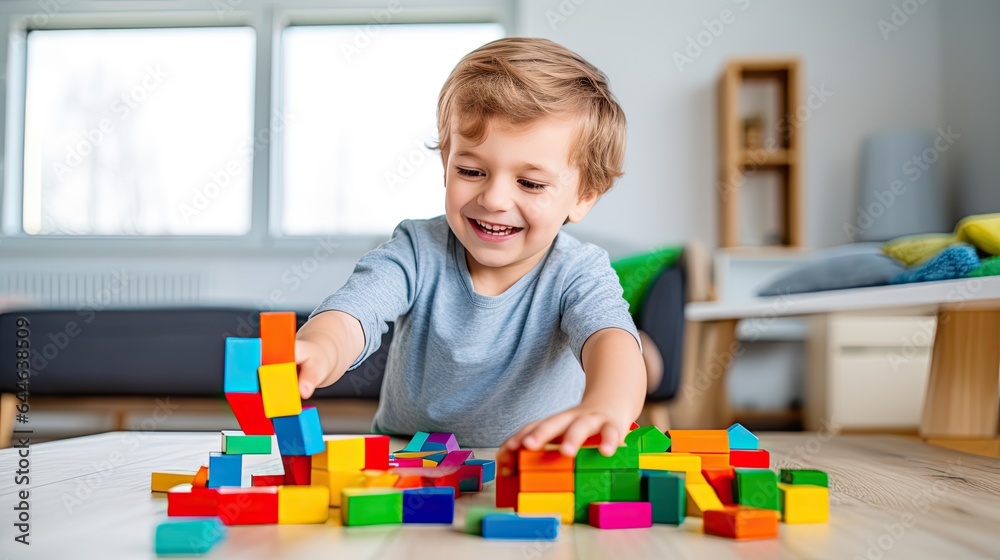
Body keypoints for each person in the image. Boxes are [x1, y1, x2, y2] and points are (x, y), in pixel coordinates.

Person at [294, 37, 646, 458]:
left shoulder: (578, 272)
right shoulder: (415, 250)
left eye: (530, 183)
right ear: (446, 163)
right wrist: (320, 347)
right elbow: (355, 311)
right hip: (408, 463)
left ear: (585, 195)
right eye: (471, 170)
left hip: (531, 466)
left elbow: (611, 339)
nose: (494, 199)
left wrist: (607, 405)